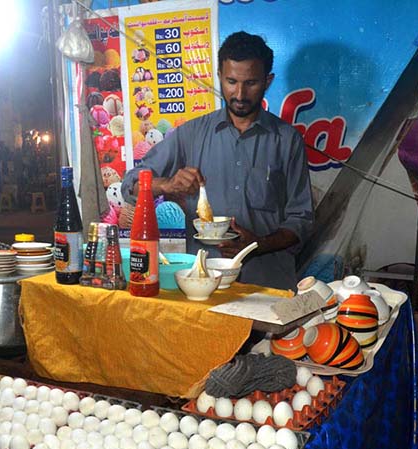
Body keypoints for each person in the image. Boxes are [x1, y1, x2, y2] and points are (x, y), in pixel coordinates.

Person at [122, 31, 313, 290]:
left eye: (251, 83)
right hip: (203, 287)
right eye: (232, 81)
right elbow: (130, 183)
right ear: (220, 76)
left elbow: (300, 220)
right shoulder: (191, 134)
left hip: (267, 286)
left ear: (268, 81)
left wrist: (258, 244)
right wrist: (167, 185)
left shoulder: (287, 140)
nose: (240, 93)